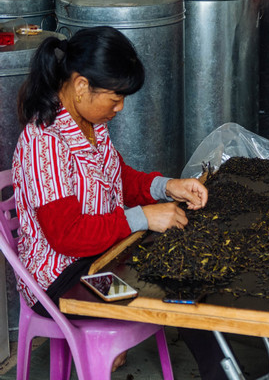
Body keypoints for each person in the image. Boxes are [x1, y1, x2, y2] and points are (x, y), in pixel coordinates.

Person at [12, 26, 226, 378]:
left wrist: (167, 187)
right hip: (63, 279)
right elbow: (67, 236)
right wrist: (142, 217)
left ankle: (222, 370)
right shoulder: (44, 144)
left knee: (189, 272)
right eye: (115, 98)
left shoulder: (89, 124)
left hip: (102, 255)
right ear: (82, 86)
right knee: (174, 292)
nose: (121, 107)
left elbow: (116, 177)